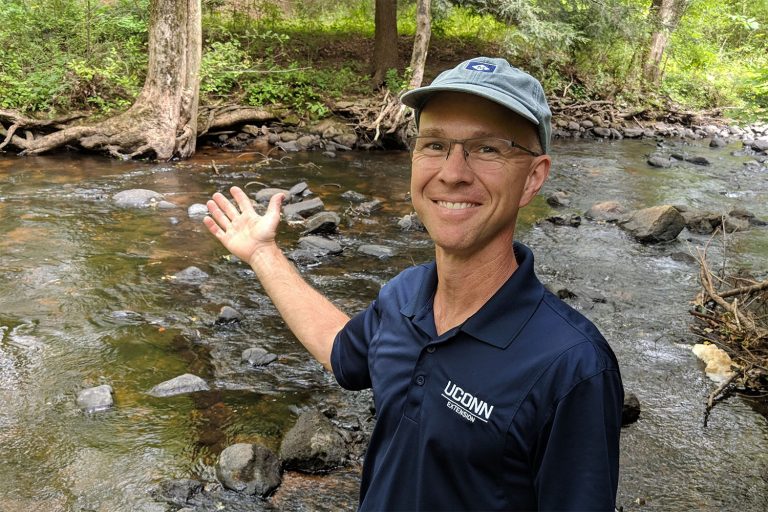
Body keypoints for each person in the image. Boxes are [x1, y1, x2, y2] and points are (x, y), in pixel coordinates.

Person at [204, 57, 624, 511]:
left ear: (533, 177)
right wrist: (263, 254)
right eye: (435, 144)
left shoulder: (573, 367)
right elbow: (339, 349)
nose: (453, 172)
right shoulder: (404, 295)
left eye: (487, 148)